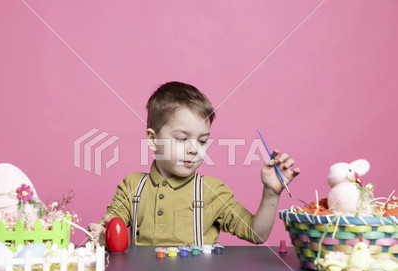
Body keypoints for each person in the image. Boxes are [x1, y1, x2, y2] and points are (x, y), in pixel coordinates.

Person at [88, 81, 300, 246]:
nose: (194, 149)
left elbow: (257, 233)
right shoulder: (132, 186)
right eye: (181, 139)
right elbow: (110, 228)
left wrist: (271, 193)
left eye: (202, 141)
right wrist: (101, 234)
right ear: (153, 140)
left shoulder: (212, 191)